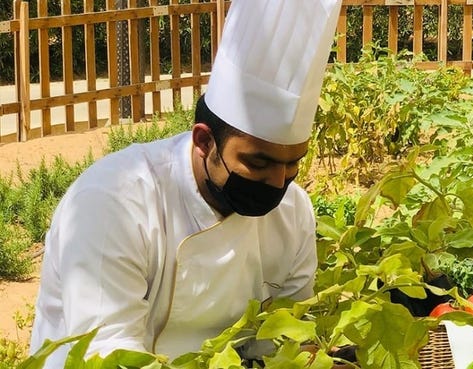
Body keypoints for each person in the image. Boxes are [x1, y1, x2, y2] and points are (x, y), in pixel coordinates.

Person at [29, 0, 342, 367]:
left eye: (293, 165)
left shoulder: (293, 213)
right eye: (259, 162)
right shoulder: (114, 201)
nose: (277, 183)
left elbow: (287, 340)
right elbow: (109, 356)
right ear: (204, 141)